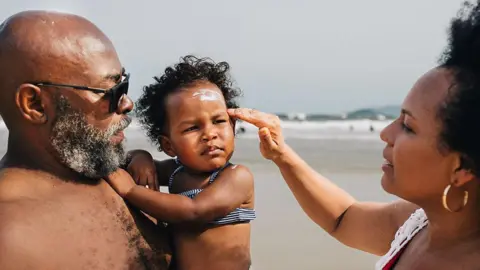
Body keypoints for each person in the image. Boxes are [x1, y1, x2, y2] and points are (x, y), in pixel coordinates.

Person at [227, 2, 480, 269]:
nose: (386, 133)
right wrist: (281, 154)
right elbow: (343, 218)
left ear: (462, 167)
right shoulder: (418, 226)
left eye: (407, 126)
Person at [0, 11, 172, 269]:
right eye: (112, 91)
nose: (127, 103)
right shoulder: (9, 233)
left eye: (124, 84)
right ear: (34, 104)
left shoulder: (122, 176)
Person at [106, 56, 256, 270]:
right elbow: (138, 165)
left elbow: (193, 211)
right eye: (192, 128)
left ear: (232, 126)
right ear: (169, 145)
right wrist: (141, 156)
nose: (209, 134)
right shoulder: (177, 171)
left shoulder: (236, 177)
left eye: (219, 121)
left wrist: (130, 190)